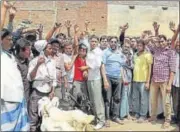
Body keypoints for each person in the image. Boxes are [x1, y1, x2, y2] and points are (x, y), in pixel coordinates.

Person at [1, 28, 30, 131]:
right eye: (8, 39)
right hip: (6, 102)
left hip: (18, 100)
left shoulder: (10, 56)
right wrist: (6, 13)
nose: (11, 42)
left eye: (11, 39)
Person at [147, 32, 176, 128]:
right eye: (159, 41)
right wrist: (153, 36)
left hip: (165, 81)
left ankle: (167, 119)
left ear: (166, 42)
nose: (161, 43)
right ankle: (153, 116)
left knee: (166, 102)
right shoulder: (156, 50)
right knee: (153, 100)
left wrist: (169, 84)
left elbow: (172, 70)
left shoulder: (170, 52)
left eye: (162, 41)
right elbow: (147, 42)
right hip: (154, 80)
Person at [80, 35, 109, 130]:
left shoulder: (99, 52)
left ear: (98, 43)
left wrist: (85, 68)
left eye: (95, 42)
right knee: (92, 100)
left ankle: (101, 121)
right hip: (89, 78)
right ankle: (96, 119)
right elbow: (84, 40)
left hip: (96, 79)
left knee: (98, 101)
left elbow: (97, 65)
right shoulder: (88, 49)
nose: (93, 43)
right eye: (92, 41)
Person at [27, 40, 57, 131]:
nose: (51, 50)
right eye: (49, 48)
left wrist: (52, 91)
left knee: (46, 116)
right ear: (42, 50)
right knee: (34, 116)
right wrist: (38, 65)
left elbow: (53, 78)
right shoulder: (34, 61)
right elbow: (30, 78)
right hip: (37, 91)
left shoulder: (52, 61)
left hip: (48, 92)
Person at [103, 36, 125, 126]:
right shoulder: (105, 52)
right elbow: (103, 66)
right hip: (108, 77)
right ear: (109, 43)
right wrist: (105, 80)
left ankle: (115, 117)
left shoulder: (120, 53)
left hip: (118, 77)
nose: (113, 43)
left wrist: (122, 78)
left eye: (115, 42)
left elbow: (121, 66)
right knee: (107, 99)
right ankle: (107, 118)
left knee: (117, 98)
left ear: (117, 43)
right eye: (111, 41)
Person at [132, 39, 153, 123]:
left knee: (144, 99)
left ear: (144, 46)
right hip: (135, 80)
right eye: (138, 45)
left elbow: (150, 69)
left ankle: (143, 115)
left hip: (144, 80)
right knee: (136, 98)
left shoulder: (148, 55)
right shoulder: (135, 55)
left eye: (141, 45)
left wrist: (148, 82)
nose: (139, 47)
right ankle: (137, 113)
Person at [14, 38, 32, 105]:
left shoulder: (28, 60)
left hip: (28, 96)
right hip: (19, 98)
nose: (30, 52)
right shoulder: (14, 63)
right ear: (21, 50)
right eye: (28, 50)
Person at [120, 42, 133, 121]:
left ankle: (127, 113)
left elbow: (132, 66)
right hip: (123, 78)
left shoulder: (130, 56)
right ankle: (122, 114)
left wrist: (129, 61)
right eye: (125, 46)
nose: (126, 48)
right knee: (123, 96)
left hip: (129, 77)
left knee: (128, 96)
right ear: (122, 47)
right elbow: (121, 65)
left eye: (128, 47)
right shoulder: (119, 55)